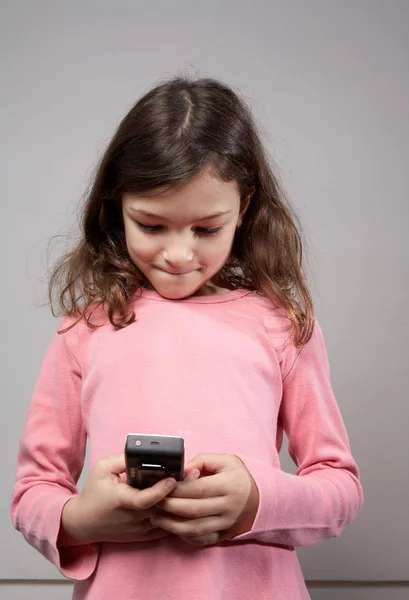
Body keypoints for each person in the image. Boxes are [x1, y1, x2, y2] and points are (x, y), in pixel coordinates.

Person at [11, 75, 363, 600]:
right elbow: (32, 491)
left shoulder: (283, 326)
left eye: (206, 228)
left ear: (243, 208)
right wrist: (81, 518)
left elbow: (340, 487)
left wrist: (254, 500)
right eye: (151, 226)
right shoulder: (83, 332)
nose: (178, 254)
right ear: (116, 207)